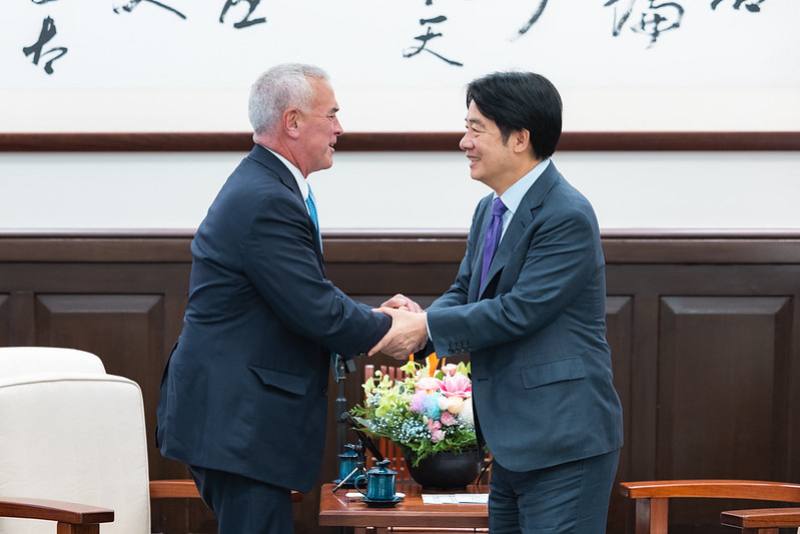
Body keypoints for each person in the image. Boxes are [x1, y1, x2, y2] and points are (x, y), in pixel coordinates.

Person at [155, 63, 419, 534]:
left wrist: (376, 317)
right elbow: (316, 309)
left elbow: (301, 297)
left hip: (239, 419)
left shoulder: (267, 186)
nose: (341, 128)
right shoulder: (266, 198)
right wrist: (393, 330)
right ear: (293, 121)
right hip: (238, 421)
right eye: (332, 114)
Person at [374, 71, 624, 533]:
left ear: (520, 139)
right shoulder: (490, 209)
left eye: (476, 129)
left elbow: (520, 310)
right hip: (514, 441)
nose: (464, 141)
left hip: (564, 441)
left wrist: (426, 329)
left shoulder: (565, 213)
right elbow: (465, 290)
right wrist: (421, 319)